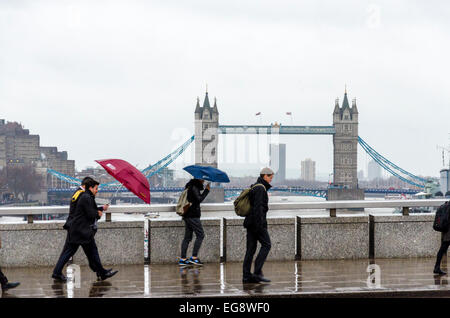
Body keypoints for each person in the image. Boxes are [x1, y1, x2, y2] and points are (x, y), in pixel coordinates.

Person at [52, 178, 117, 282]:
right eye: (96, 188)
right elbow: (89, 213)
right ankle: (101, 272)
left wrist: (100, 209)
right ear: (90, 187)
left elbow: (86, 209)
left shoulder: (82, 194)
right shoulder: (84, 196)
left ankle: (100, 271)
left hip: (77, 229)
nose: (97, 190)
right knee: (90, 252)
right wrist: (98, 213)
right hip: (81, 230)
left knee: (74, 252)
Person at [242, 167, 274, 284]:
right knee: (267, 245)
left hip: (250, 223)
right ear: (265, 176)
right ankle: (257, 272)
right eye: (270, 177)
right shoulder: (260, 189)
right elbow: (258, 208)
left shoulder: (255, 186)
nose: (271, 180)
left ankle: (246, 276)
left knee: (250, 250)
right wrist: (260, 226)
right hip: (257, 224)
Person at [178, 178, 210, 266]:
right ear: (198, 180)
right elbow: (199, 199)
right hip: (193, 215)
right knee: (200, 235)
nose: (203, 181)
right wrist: (206, 191)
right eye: (202, 180)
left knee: (187, 238)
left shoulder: (189, 187)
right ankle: (194, 257)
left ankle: (183, 259)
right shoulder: (194, 187)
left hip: (187, 215)